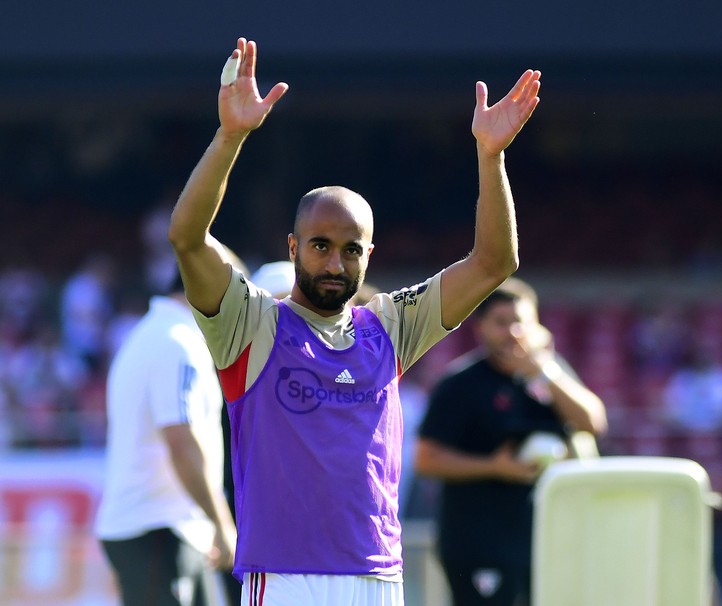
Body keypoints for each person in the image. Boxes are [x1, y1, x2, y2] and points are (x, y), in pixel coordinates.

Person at [166, 37, 540, 606]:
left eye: (350, 249)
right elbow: (188, 239)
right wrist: (230, 136)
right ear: (293, 246)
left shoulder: (389, 329)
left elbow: (493, 264)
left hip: (377, 577)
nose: (334, 263)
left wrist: (491, 158)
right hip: (286, 578)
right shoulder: (251, 325)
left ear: (370, 254)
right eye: (319, 245)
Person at [414, 277, 608, 606]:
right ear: (480, 328)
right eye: (501, 323)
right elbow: (426, 459)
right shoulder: (460, 384)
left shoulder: (548, 375)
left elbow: (593, 422)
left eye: (521, 322)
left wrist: (545, 371)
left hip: (543, 540)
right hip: (478, 541)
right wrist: (495, 467)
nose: (513, 333)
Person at [95, 268, 238, 606]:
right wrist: (221, 522)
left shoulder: (155, 334)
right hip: (158, 529)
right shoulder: (177, 344)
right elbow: (181, 440)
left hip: (162, 527)